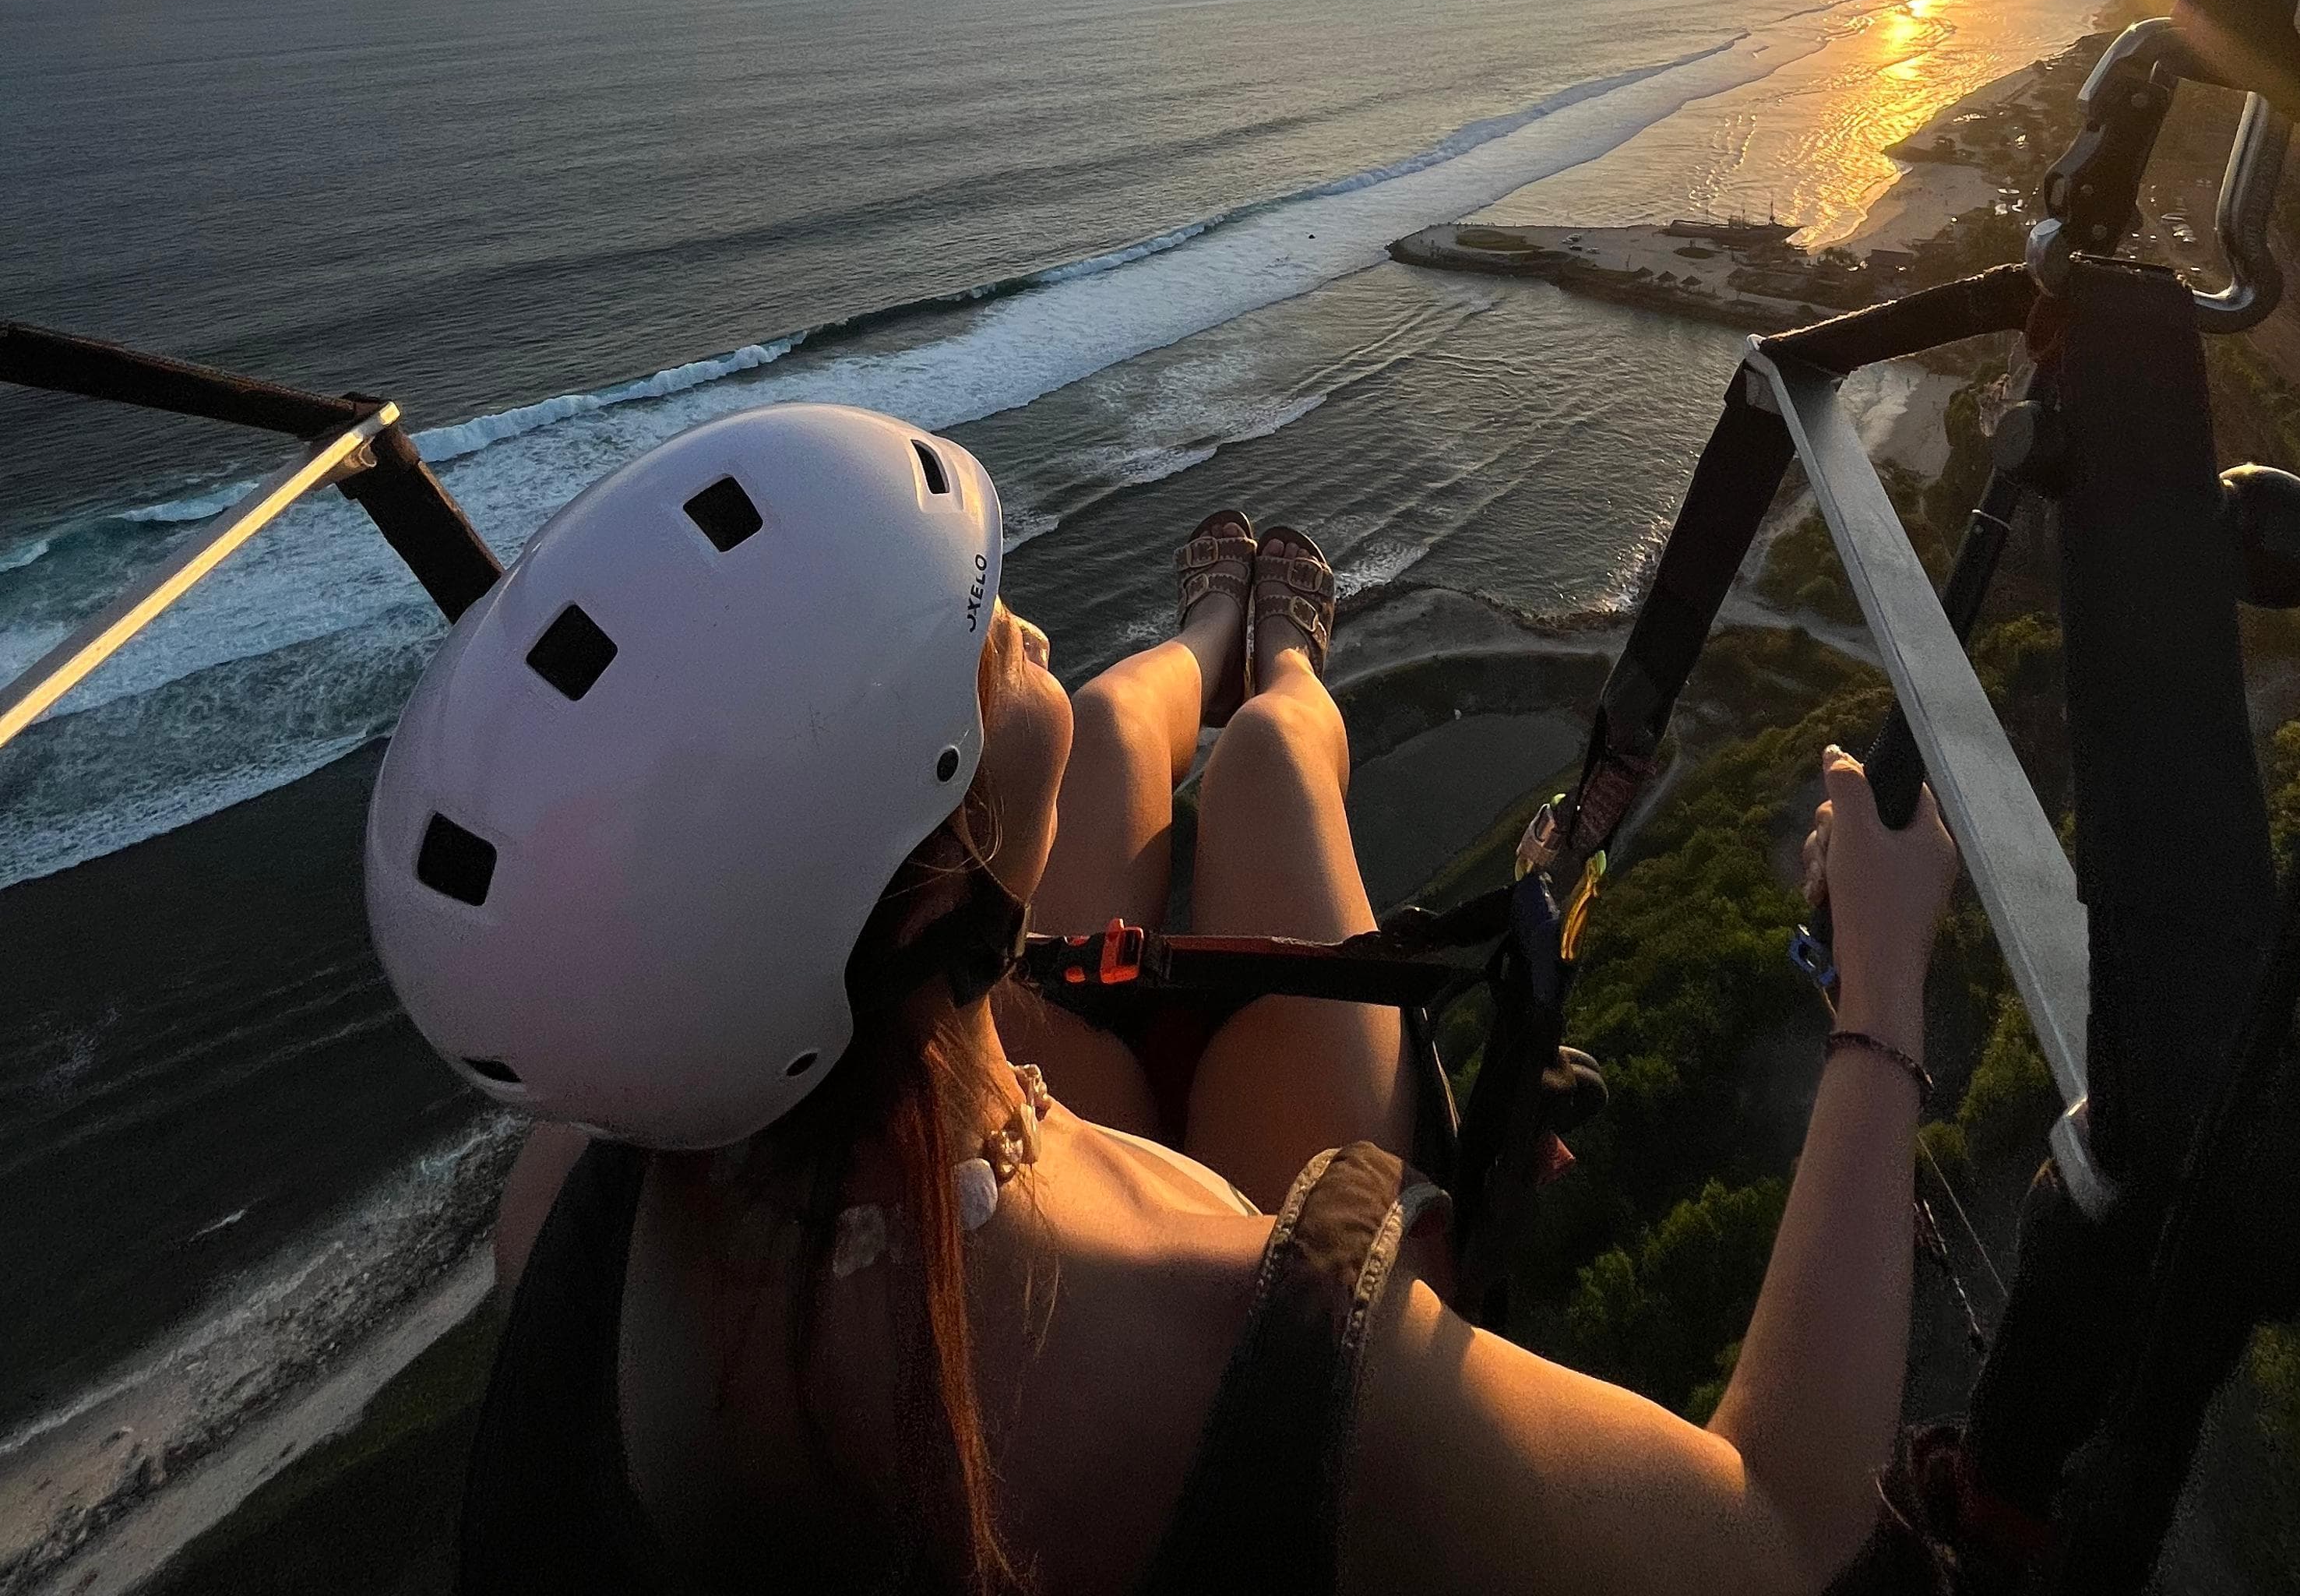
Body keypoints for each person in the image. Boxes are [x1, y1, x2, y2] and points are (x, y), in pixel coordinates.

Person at [366, 404, 1956, 1596]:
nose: (1026, 627)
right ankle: (1280, 674)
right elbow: (1784, 1524)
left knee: (1120, 727)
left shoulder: (574, 1196)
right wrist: (1880, 988)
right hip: (1190, 1299)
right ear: (955, 855)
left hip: (977, 1130)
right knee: (1265, 765)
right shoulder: (1273, 1359)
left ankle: (1213, 637)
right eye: (990, 649)